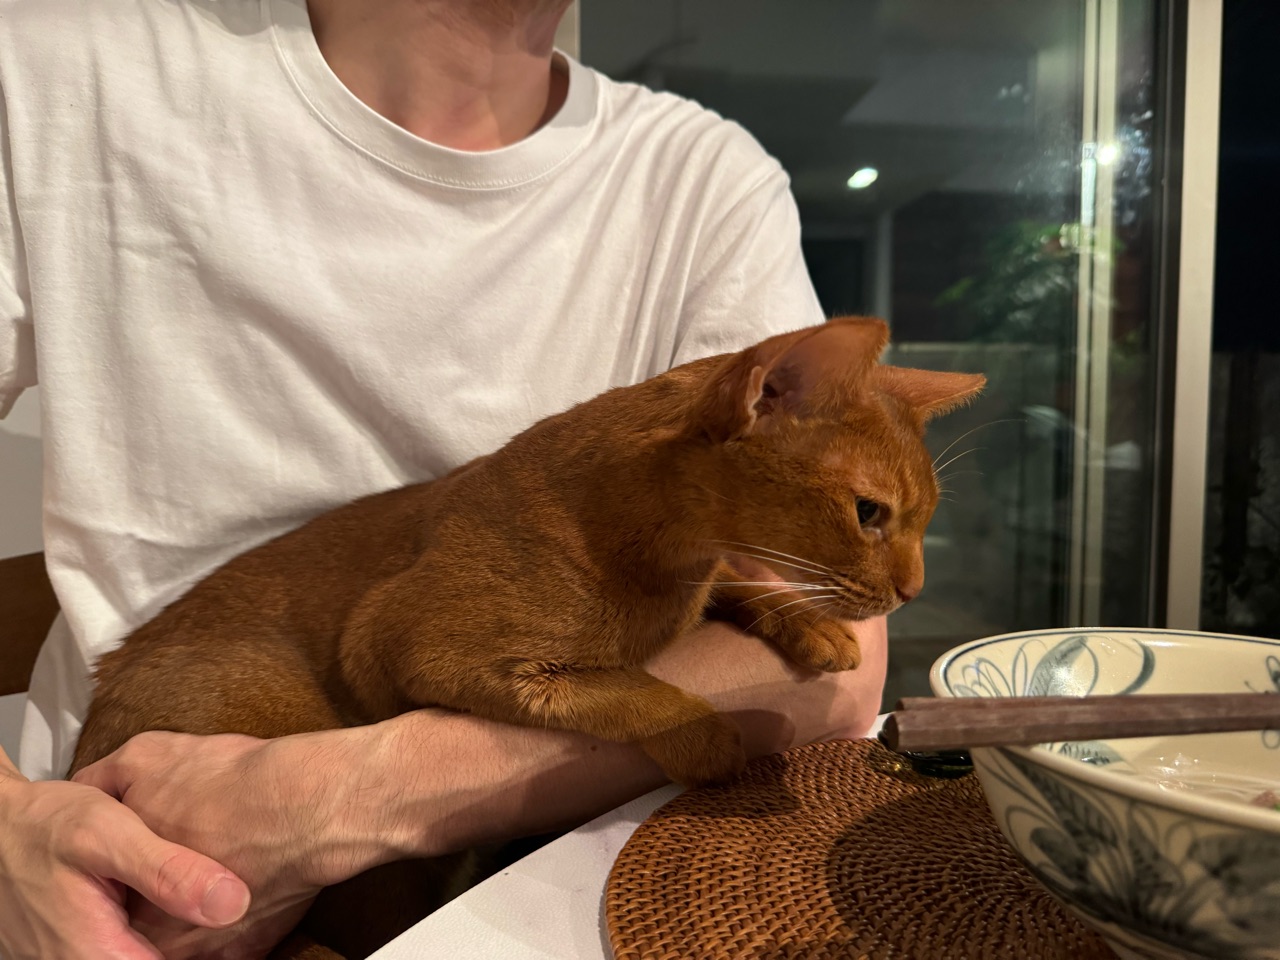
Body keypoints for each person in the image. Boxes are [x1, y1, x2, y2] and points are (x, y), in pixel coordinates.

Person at [0, 0, 889, 957]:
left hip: (522, 865)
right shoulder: (58, 74)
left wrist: (336, 796)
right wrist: (9, 831)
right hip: (130, 853)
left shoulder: (701, 175)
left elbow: (835, 672)